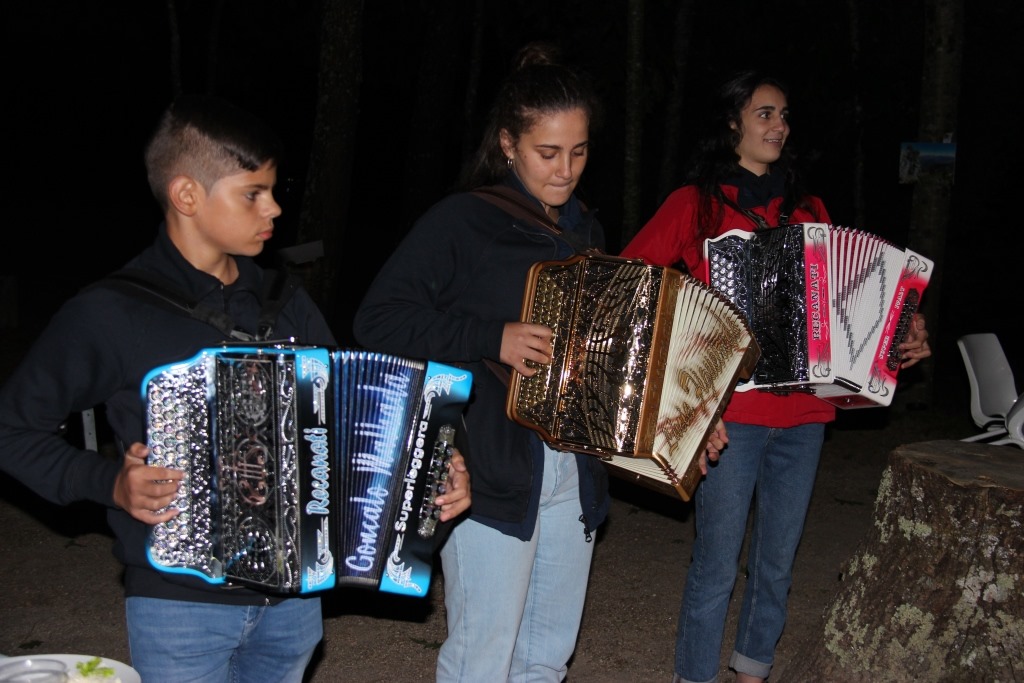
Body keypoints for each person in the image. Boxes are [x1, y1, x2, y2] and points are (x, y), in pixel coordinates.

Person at [0, 94, 471, 683]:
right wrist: (106, 483)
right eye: (253, 193)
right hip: (178, 604)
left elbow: (351, 435)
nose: (274, 207)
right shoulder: (113, 312)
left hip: (297, 604)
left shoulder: (287, 304)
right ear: (187, 195)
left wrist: (427, 479)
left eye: (274, 189)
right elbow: (13, 429)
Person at [620, 70, 932, 683]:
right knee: (715, 561)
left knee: (777, 563)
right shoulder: (695, 204)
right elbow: (633, 281)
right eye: (765, 113)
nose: (779, 126)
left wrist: (902, 334)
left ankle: (753, 668)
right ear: (733, 122)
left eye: (784, 115)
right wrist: (687, 357)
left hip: (806, 415)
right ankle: (694, 675)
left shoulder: (810, 210)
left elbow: (848, 304)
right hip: (730, 416)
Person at [352, 43, 621, 682]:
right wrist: (488, 336)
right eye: (547, 153)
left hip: (573, 472)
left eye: (579, 151)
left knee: (546, 656)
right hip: (492, 469)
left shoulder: (587, 229)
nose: (565, 170)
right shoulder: (464, 221)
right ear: (508, 144)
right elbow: (378, 320)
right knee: (483, 658)